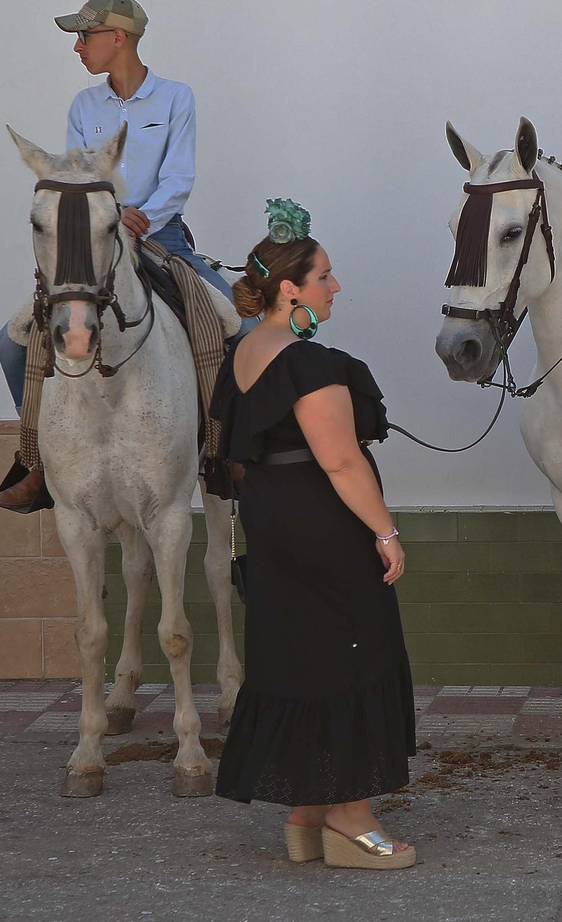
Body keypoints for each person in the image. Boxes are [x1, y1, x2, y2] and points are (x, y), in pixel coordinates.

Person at [210, 199, 417, 870]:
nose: (336, 287)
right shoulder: (308, 361)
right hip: (320, 522)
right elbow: (339, 459)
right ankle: (352, 819)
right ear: (290, 289)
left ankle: (305, 813)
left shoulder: (243, 353)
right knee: (354, 648)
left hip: (273, 520)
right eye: (325, 276)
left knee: (298, 653)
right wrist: (385, 531)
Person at [0, 0, 252, 511]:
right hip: (92, 246)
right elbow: (72, 174)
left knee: (239, 330)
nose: (77, 47)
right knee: (9, 342)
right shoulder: (83, 105)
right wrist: (109, 216)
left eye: (84, 36)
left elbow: (179, 177)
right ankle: (38, 460)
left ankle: (228, 452)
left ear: (119, 38)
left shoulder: (176, 97)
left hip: (162, 238)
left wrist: (143, 218)